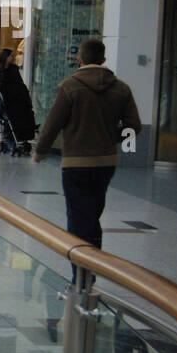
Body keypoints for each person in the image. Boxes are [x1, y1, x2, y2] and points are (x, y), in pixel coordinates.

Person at [33, 36, 142, 260]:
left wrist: (40, 152)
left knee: (78, 216)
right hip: (106, 162)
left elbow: (52, 124)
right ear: (103, 60)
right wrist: (111, 137)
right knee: (92, 215)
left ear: (79, 59)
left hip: (76, 162)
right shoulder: (121, 89)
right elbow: (134, 126)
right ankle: (94, 262)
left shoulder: (69, 87)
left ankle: (81, 276)